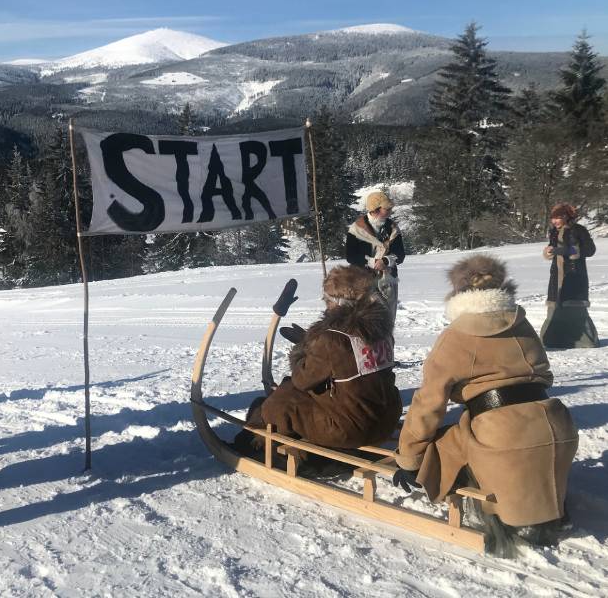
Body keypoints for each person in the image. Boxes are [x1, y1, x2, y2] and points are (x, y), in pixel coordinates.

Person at [393, 255, 578, 556]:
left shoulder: (455, 337)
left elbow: (428, 405)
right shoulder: (523, 323)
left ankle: (490, 507)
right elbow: (544, 374)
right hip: (556, 425)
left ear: (458, 294)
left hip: (499, 434)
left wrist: (410, 459)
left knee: (445, 444)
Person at [235, 266, 401, 454]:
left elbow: (302, 380)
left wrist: (302, 350)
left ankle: (252, 445)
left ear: (338, 302)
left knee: (282, 399)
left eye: (327, 298)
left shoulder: (332, 339)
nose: (326, 303)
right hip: (386, 419)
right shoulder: (383, 332)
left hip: (352, 429)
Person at [540, 203, 598, 349]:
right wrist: (548, 252)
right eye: (553, 218)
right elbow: (552, 250)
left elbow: (590, 249)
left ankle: (584, 340)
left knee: (574, 307)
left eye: (558, 217)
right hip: (556, 275)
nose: (555, 221)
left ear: (567, 216)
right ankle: (552, 340)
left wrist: (572, 251)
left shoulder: (579, 230)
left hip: (574, 274)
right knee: (555, 307)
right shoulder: (553, 231)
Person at [346, 190, 405, 322]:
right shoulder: (356, 229)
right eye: (386, 208)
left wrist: (386, 260)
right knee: (365, 319)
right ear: (375, 209)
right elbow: (351, 256)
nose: (390, 210)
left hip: (388, 281)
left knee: (387, 320)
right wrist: (372, 262)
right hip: (363, 281)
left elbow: (400, 254)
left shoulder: (393, 228)